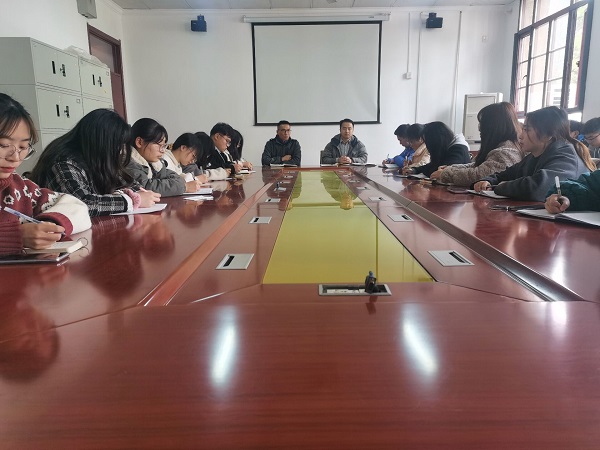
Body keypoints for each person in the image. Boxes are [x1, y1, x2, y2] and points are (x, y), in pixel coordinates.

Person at [0, 93, 91, 255]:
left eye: (23, 147)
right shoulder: (65, 163)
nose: (15, 157)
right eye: (3, 145)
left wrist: (48, 225)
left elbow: (77, 207)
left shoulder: (21, 188)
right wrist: (15, 236)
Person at [30, 109, 160, 217]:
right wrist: (132, 200)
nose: (120, 151)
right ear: (103, 143)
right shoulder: (63, 161)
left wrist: (136, 193)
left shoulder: (96, 158)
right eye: (117, 145)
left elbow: (129, 183)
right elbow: (80, 204)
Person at [473, 106, 592, 201]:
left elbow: (537, 188)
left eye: (527, 130)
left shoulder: (566, 157)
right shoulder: (534, 156)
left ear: (548, 135)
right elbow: (506, 174)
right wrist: (489, 181)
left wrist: (497, 187)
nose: (520, 136)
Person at [430, 102, 523, 186]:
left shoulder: (506, 153)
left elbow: (478, 175)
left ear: (493, 127)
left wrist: (446, 174)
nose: (479, 129)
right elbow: (476, 165)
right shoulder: (502, 147)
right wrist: (449, 168)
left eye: (482, 124)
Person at [126, 118, 196, 196]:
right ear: (139, 142)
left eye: (164, 146)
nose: (162, 151)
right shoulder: (127, 162)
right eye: (159, 145)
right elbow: (145, 188)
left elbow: (176, 177)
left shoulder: (155, 164)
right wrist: (183, 187)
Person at [404, 122, 469, 177]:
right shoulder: (445, 146)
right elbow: (433, 165)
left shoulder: (458, 149)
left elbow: (442, 170)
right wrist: (414, 170)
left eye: (427, 142)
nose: (427, 145)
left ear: (435, 141)